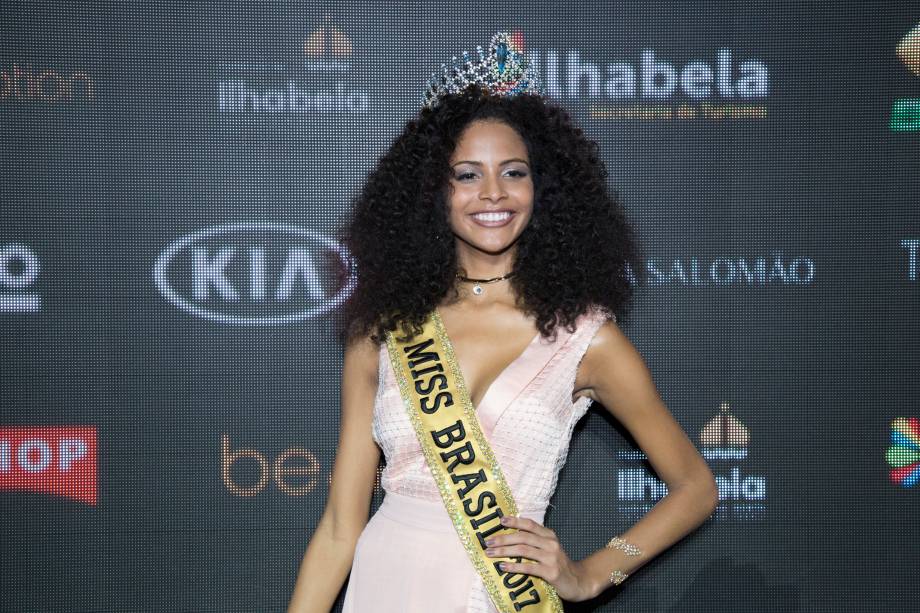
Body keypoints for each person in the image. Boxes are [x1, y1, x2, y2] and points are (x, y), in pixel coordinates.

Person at [287, 32, 718, 613]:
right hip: (385, 585)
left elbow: (696, 489)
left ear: (543, 189)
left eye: (513, 172)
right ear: (432, 193)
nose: (493, 193)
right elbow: (341, 529)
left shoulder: (587, 339)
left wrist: (590, 573)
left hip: (502, 597)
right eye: (467, 174)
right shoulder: (384, 331)